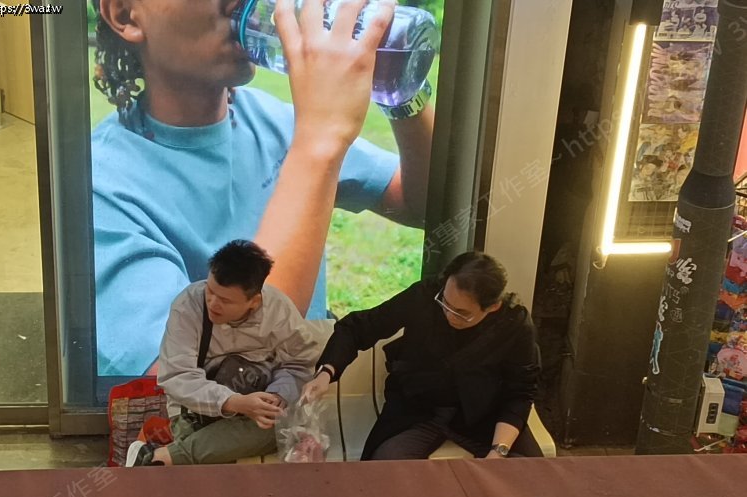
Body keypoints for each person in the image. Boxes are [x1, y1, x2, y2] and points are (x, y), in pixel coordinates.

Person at [91, 0, 434, 376]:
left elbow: (421, 203)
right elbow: (184, 377)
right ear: (125, 14)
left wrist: (401, 91)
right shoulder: (101, 187)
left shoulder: (273, 120)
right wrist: (317, 142)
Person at [301, 252, 541, 460]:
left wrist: (498, 451)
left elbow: (520, 392)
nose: (449, 315)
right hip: (418, 407)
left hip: (483, 415)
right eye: (445, 302)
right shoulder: (425, 295)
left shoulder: (514, 323)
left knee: (529, 475)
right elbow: (359, 328)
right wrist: (326, 373)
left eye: (461, 313)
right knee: (383, 467)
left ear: (492, 307)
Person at [126, 240, 318, 466]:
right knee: (270, 434)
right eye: (210, 291)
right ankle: (167, 457)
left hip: (256, 405)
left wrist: (276, 397)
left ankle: (157, 458)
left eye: (225, 300)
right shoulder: (188, 305)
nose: (213, 303)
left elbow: (301, 362)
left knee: (283, 426)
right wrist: (234, 402)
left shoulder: (278, 309)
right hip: (198, 411)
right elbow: (177, 376)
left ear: (254, 301)